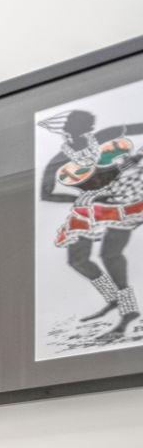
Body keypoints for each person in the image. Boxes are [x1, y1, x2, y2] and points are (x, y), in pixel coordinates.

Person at [38, 108, 143, 343]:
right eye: (83, 124)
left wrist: (132, 162)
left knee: (110, 254)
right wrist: (82, 198)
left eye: (89, 125)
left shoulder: (106, 135)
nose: (89, 128)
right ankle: (114, 298)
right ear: (68, 129)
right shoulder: (60, 158)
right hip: (90, 203)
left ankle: (128, 310)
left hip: (123, 196)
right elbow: (46, 194)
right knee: (77, 258)